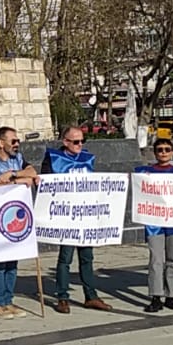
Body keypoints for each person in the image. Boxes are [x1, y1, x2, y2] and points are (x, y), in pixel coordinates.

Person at [40, 126, 112, 313]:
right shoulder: (53, 158)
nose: (80, 145)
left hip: (85, 215)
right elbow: (46, 186)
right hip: (65, 217)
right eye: (76, 141)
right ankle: (62, 297)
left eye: (82, 141)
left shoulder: (86, 158)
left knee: (87, 257)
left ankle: (91, 296)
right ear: (65, 142)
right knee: (65, 258)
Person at [0, 126, 38, 318]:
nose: (17, 144)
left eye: (18, 140)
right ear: (1, 143)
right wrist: (20, 181)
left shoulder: (17, 161)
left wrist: (13, 175)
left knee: (12, 261)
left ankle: (8, 300)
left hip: (16, 217)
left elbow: (33, 172)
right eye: (13, 141)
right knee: (0, 262)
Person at [135, 139, 173, 313]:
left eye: (167, 149)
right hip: (154, 222)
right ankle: (156, 296)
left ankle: (171, 295)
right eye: (160, 150)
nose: (163, 153)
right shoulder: (145, 172)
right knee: (156, 260)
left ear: (172, 152)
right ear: (155, 152)